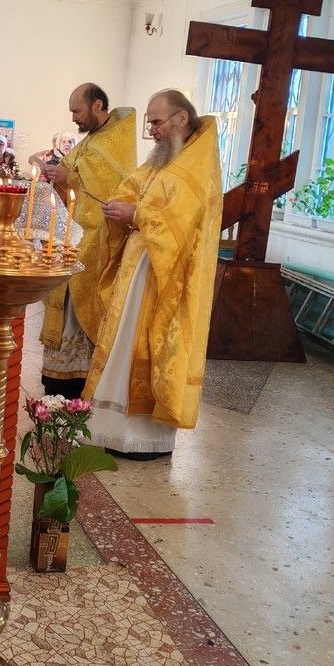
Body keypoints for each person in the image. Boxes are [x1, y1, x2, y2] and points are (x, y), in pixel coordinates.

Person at [84, 88, 222, 460]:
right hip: (140, 266)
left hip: (165, 275)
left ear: (181, 118)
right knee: (123, 342)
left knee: (147, 344)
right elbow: (137, 186)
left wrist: (137, 215)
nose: (152, 131)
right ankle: (109, 427)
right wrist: (120, 205)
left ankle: (142, 437)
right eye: (150, 123)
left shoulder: (196, 162)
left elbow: (184, 221)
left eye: (157, 122)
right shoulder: (167, 156)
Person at [39, 82, 137, 399]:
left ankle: (76, 381)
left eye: (77, 110)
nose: (73, 118)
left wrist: (69, 177)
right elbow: (74, 176)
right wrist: (56, 174)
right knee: (67, 304)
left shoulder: (115, 140)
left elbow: (112, 189)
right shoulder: (93, 138)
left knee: (81, 307)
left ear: (97, 105)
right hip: (74, 236)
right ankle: (57, 379)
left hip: (96, 242)